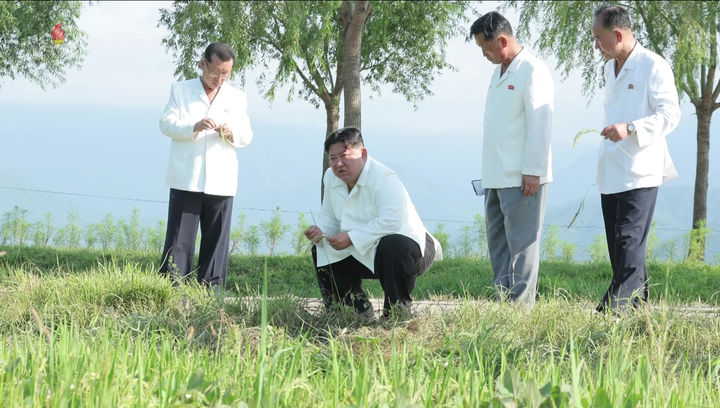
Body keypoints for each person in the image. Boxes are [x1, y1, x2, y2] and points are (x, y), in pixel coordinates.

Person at [591, 5, 680, 312]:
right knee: (620, 250)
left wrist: (630, 128)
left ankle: (610, 314)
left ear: (618, 34)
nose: (596, 46)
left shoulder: (653, 65)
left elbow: (671, 114)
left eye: (599, 38)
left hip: (641, 171)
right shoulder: (608, 68)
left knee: (629, 243)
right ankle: (640, 316)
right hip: (611, 171)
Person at [304, 127, 443, 318]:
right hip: (366, 247)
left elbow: (392, 221)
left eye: (344, 156)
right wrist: (320, 231)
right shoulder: (330, 177)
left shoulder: (383, 177)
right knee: (322, 248)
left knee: (393, 244)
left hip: (411, 248)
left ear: (363, 153)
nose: (338, 164)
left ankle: (396, 315)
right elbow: (330, 217)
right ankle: (353, 311)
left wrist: (352, 238)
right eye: (332, 158)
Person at [470, 12, 554, 306]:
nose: (484, 55)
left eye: (486, 48)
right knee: (498, 245)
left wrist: (534, 170)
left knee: (522, 246)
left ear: (503, 40)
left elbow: (540, 123)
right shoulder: (499, 71)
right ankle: (503, 301)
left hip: (522, 176)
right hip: (495, 174)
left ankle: (520, 309)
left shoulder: (532, 70)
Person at [158, 42, 253, 288]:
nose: (220, 78)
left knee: (217, 241)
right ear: (203, 65)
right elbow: (166, 124)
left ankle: (211, 293)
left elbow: (247, 135)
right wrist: (194, 127)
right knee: (179, 239)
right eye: (215, 72)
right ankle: (172, 290)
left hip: (221, 180)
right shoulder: (181, 90)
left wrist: (232, 133)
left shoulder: (237, 96)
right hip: (186, 177)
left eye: (226, 74)